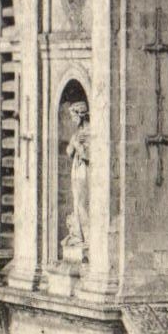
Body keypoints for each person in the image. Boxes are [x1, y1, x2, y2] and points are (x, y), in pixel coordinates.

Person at [61, 100, 90, 261]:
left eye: (73, 116)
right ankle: (78, 235)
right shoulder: (77, 133)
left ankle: (86, 238)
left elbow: (88, 155)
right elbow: (69, 151)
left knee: (83, 204)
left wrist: (78, 145)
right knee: (77, 203)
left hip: (85, 172)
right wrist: (73, 143)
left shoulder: (89, 132)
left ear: (80, 115)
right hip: (76, 171)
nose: (72, 120)